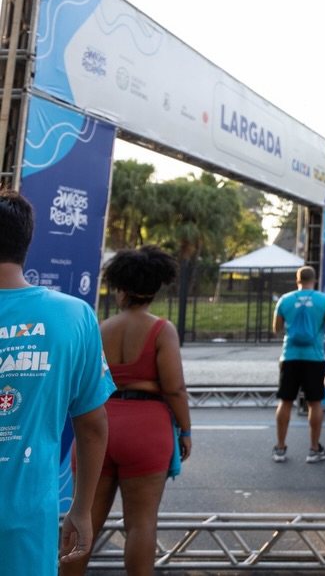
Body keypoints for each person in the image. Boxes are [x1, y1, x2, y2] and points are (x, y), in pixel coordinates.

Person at [0, 190, 112, 575]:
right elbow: (93, 425)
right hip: (27, 519)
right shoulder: (74, 316)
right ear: (26, 244)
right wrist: (81, 509)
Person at [61, 246, 192, 576]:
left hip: (99, 426)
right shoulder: (162, 330)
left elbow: (81, 383)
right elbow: (174, 387)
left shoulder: (99, 328)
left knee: (84, 519)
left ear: (121, 288)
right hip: (148, 428)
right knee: (141, 522)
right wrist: (186, 430)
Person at [272, 265, 325, 464]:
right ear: (315, 280)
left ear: (297, 280)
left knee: (285, 401)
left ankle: (280, 448)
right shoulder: (324, 300)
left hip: (290, 356)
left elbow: (276, 329)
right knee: (315, 403)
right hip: (314, 357)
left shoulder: (285, 300)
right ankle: (313, 449)